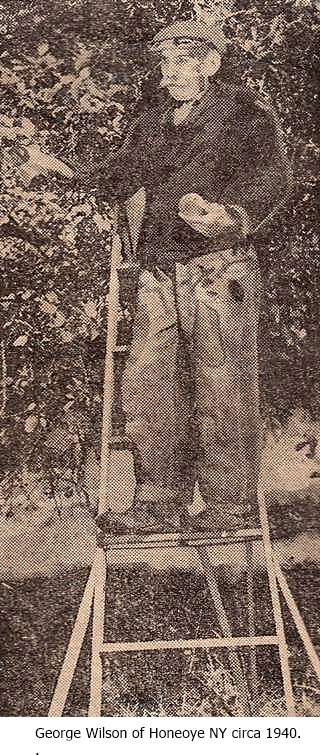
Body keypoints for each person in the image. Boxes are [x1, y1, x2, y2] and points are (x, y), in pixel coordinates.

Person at [96, 19, 292, 535]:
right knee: (148, 385)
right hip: (158, 270)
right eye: (164, 63)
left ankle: (229, 504)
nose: (168, 75)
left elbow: (275, 177)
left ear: (211, 63)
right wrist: (57, 167)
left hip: (218, 268)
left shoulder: (243, 111)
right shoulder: (153, 119)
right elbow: (119, 173)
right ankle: (159, 502)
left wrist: (236, 213)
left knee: (221, 386)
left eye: (181, 62)